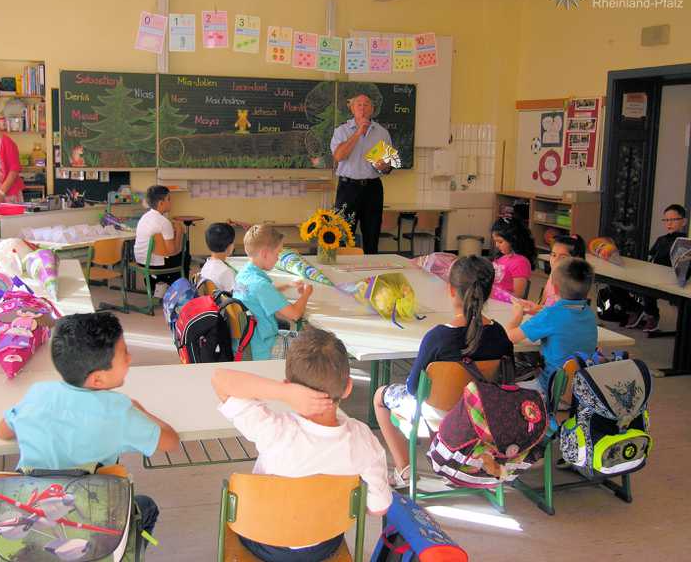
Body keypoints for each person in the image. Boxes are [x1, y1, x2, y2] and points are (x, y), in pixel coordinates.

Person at [211, 328, 392, 562]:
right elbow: (379, 508)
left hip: (263, 540)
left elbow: (219, 380)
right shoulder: (363, 439)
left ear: (289, 385)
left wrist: (283, 392)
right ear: (348, 387)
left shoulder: (275, 431)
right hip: (323, 543)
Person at [0, 312, 179, 540]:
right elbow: (171, 442)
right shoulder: (118, 411)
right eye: (124, 354)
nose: (130, 358)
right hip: (94, 524)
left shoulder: (37, 394)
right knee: (147, 506)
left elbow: (2, 431)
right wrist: (140, 410)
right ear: (98, 380)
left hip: (32, 521)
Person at [373, 256, 513, 488]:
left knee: (380, 396)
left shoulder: (438, 336)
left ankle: (404, 470)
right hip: (482, 414)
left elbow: (413, 388)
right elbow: (507, 378)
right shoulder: (499, 333)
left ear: (450, 290)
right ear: (489, 292)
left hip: (440, 415)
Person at [506, 257, 597, 395]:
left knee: (504, 388)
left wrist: (517, 315)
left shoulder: (550, 315)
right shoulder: (589, 314)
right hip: (581, 388)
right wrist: (539, 310)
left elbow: (509, 337)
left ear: (554, 288)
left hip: (551, 387)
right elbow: (565, 318)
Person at [233, 224, 312, 360]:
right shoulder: (260, 285)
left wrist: (287, 285)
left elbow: (258, 294)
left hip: (247, 344)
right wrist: (306, 293)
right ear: (265, 253)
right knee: (311, 347)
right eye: (277, 253)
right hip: (262, 349)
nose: (277, 258)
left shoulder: (244, 274)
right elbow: (295, 314)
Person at [330, 93, 394, 255]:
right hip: (348, 187)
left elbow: (388, 167)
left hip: (372, 188)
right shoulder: (342, 131)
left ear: (372, 109)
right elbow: (339, 156)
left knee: (372, 235)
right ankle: (344, 273)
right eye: (359, 104)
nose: (363, 108)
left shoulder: (382, 133)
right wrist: (359, 132)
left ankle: (370, 274)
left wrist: (385, 165)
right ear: (352, 109)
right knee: (343, 235)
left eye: (366, 105)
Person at [625, 204, 688, 332]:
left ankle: (652, 314)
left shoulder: (685, 241)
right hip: (654, 274)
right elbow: (651, 257)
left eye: (673, 220)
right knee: (617, 282)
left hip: (670, 279)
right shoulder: (661, 239)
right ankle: (634, 309)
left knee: (648, 285)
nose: (669, 223)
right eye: (666, 220)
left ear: (684, 221)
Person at [133, 185, 186, 298]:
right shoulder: (163, 222)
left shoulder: (144, 217)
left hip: (141, 261)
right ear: (161, 203)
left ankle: (157, 284)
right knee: (185, 256)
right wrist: (180, 232)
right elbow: (172, 251)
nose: (171, 202)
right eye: (169, 199)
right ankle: (179, 294)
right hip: (155, 265)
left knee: (168, 255)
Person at [521, 234, 586, 314]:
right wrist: (532, 308)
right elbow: (543, 302)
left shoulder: (575, 283)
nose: (556, 260)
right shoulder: (553, 274)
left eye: (563, 257)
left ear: (576, 259)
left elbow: (578, 308)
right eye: (554, 255)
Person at [491, 217, 536, 299]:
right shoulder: (502, 257)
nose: (496, 245)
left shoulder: (520, 263)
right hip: (495, 304)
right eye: (495, 241)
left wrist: (492, 293)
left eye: (500, 241)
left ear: (513, 240)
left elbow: (518, 296)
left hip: (506, 308)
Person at [199, 222, 236, 292]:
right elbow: (236, 297)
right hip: (223, 302)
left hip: (210, 301)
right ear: (229, 246)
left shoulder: (206, 265)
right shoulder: (226, 272)